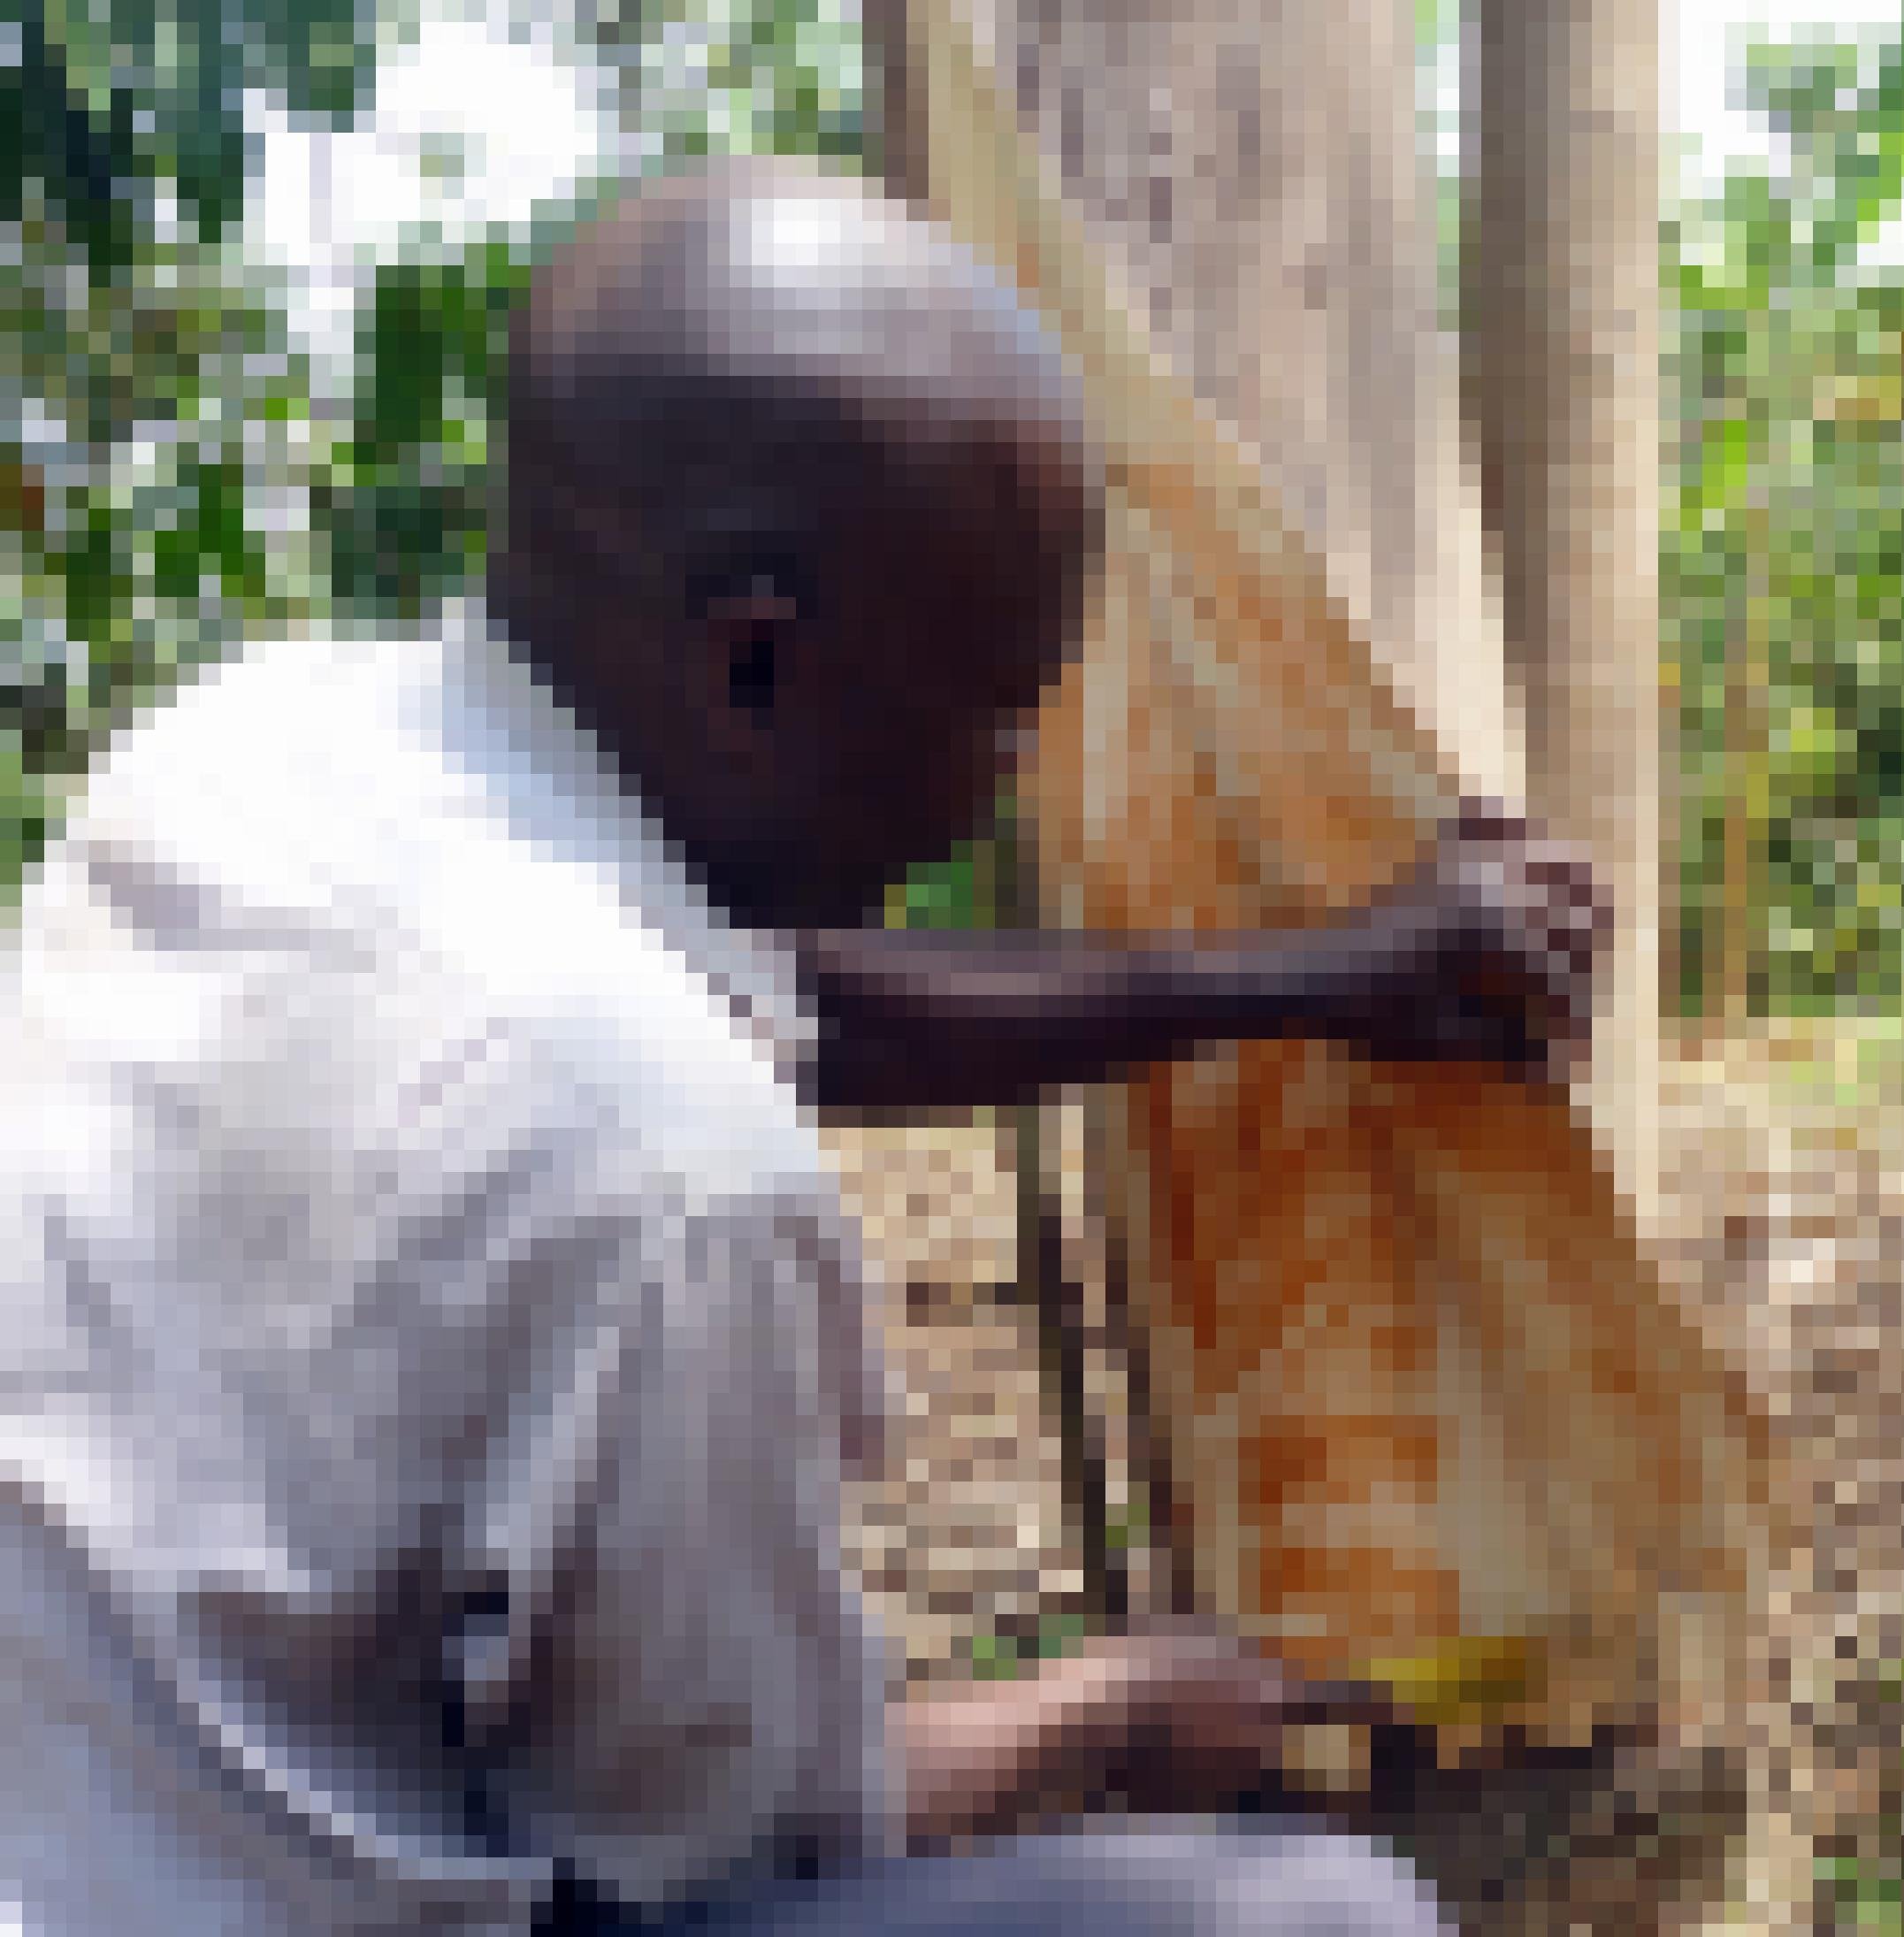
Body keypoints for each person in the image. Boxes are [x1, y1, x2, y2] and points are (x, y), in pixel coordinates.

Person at [0, 157, 1606, 1936]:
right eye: (1000, 715)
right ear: (754, 667)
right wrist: (1110, 1703)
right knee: (1327, 1923)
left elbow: (784, 996)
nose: (1009, 780)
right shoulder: (675, 1181)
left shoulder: (252, 749)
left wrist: (1305, 975)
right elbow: (747, 1858)